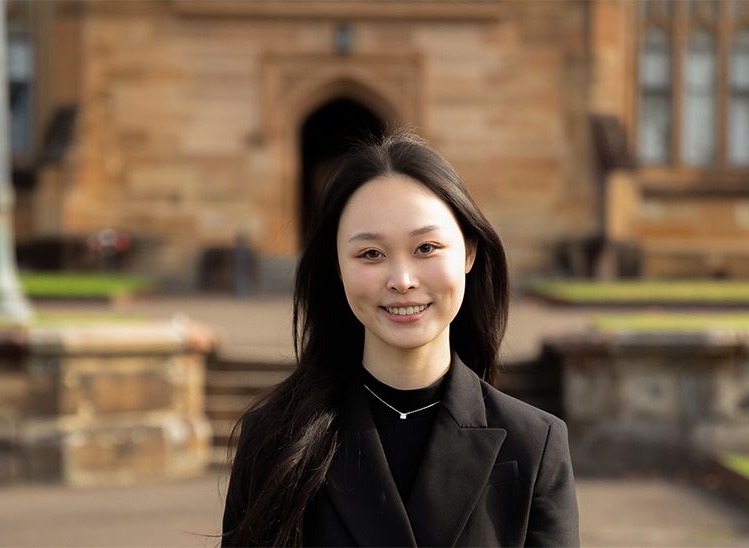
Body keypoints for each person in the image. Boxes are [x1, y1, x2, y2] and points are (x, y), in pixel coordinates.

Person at [222, 132, 579, 547]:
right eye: (371, 254)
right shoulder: (273, 440)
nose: (402, 281)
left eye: (426, 247)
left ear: (468, 252)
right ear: (336, 266)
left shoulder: (534, 445)